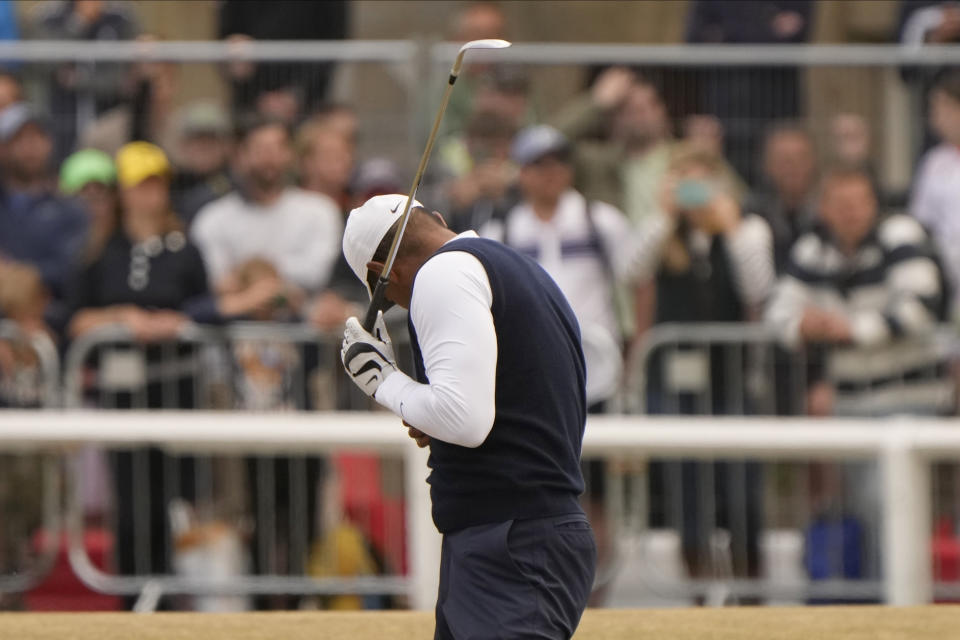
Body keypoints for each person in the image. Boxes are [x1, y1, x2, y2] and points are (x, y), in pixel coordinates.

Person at [339, 194, 596, 638]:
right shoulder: (516, 266)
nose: (399, 304)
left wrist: (383, 381)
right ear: (437, 219)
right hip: (519, 537)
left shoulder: (442, 273)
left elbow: (464, 420)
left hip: (510, 543)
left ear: (384, 275)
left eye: (389, 299)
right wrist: (430, 414)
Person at [480, 125, 643, 407]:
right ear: (521, 173)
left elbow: (639, 279)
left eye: (559, 162)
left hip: (597, 370)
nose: (551, 172)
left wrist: (636, 350)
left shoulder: (602, 221)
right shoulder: (501, 233)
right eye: (539, 164)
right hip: (528, 372)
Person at [767, 167, 950, 417]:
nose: (850, 212)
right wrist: (802, 325)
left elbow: (920, 309)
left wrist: (852, 329)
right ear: (823, 209)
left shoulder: (899, 235)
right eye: (840, 203)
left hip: (911, 396)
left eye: (858, 202)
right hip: (849, 401)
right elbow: (777, 311)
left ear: (874, 205)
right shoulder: (812, 250)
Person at [191, 116, 343, 297]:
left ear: (290, 154)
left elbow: (316, 273)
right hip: (235, 321)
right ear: (240, 155)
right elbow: (217, 279)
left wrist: (249, 274)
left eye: (278, 147)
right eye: (260, 149)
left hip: (301, 321)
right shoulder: (212, 218)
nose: (269, 158)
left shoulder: (320, 211)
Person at [0, 103, 88, 330]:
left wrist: (18, 276)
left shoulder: (71, 211)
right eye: (19, 139)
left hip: (49, 319)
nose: (30, 147)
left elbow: (71, 269)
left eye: (37, 137)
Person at [910, 71, 960, 318]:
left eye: (941, 109)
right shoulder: (933, 162)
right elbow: (920, 222)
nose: (935, 119)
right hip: (946, 276)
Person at [744, 124, 819, 274]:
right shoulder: (751, 213)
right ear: (766, 165)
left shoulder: (828, 211)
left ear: (813, 162)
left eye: (801, 158)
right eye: (783, 159)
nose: (793, 166)